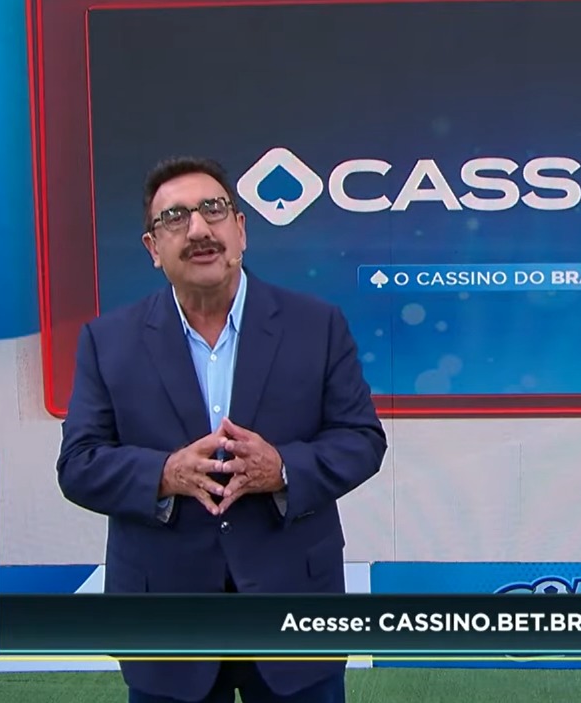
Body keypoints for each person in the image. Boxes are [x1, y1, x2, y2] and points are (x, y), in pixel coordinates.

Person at [56, 156, 388, 703]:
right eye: (175, 218)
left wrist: (281, 469)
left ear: (241, 229)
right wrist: (165, 474)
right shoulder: (107, 341)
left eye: (213, 210)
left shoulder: (317, 325)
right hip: (167, 619)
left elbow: (361, 439)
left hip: (294, 609)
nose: (198, 229)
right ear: (153, 248)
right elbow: (79, 463)